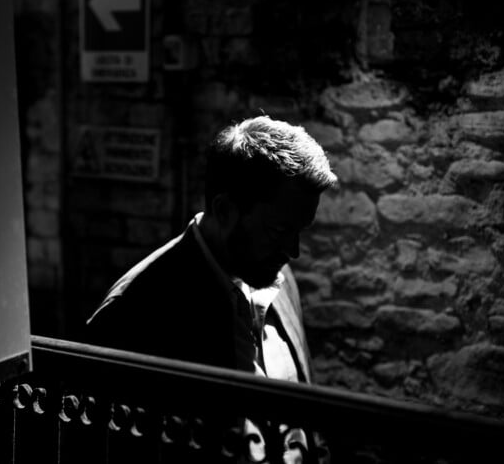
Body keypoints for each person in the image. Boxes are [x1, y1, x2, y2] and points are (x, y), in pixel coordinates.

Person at [86, 115, 338, 462]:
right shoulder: (134, 312)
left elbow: (307, 418)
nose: (293, 252)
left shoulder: (279, 274)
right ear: (225, 210)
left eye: (300, 231)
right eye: (279, 231)